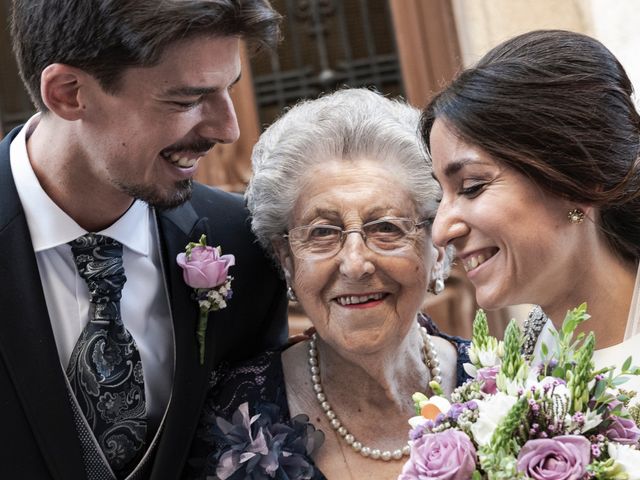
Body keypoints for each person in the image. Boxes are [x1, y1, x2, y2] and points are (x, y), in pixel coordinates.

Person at [1, 1, 289, 479]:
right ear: (68, 93)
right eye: (185, 100)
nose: (228, 129)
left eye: (228, 90)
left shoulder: (245, 242)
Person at [186, 88, 470, 480]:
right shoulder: (229, 417)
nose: (355, 264)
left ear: (437, 249)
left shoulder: (510, 389)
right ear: (287, 259)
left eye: (386, 227)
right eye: (322, 232)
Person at [422, 30, 640, 392]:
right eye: (439, 196)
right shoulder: (525, 364)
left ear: (581, 175)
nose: (442, 230)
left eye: (472, 186)